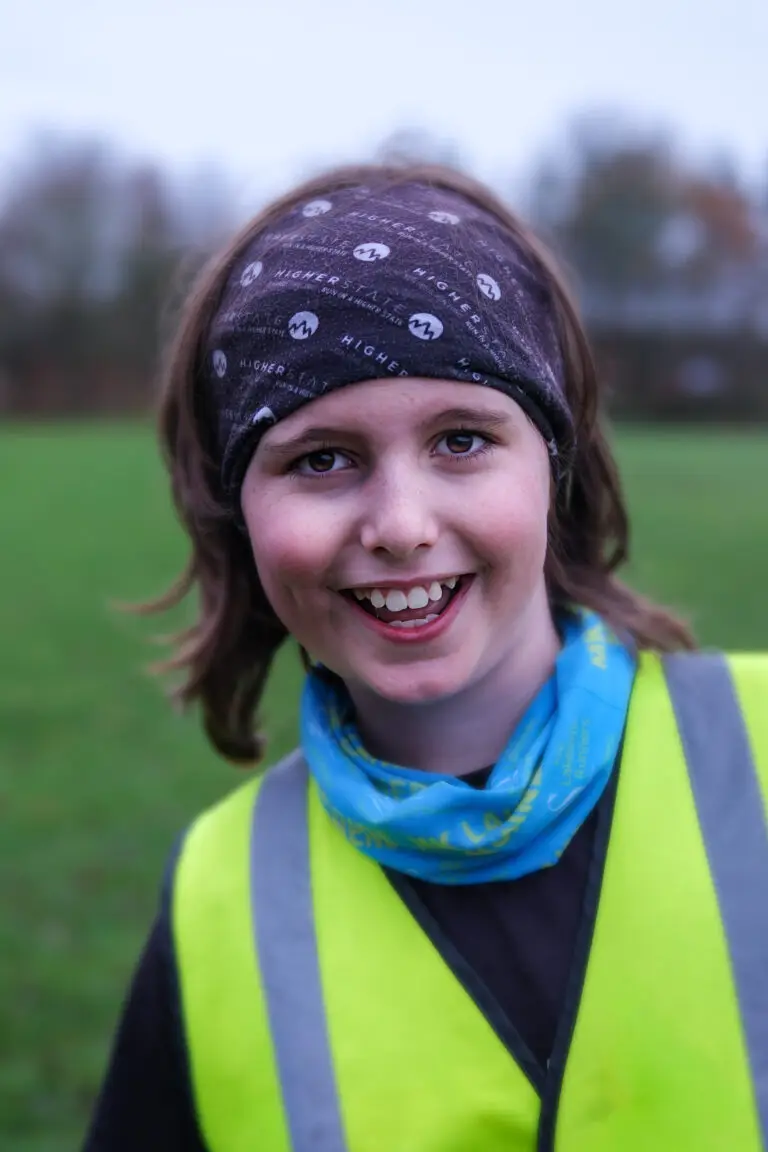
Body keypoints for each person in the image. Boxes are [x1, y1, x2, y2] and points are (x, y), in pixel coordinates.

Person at [84, 163, 768, 1152]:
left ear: (554, 464)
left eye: (460, 440)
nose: (401, 527)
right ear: (242, 513)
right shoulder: (218, 898)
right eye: (321, 459)